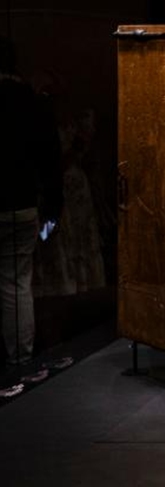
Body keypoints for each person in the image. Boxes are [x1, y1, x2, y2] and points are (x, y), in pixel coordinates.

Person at [1, 36, 63, 388]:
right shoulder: (33, 104)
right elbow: (50, 162)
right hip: (22, 205)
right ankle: (20, 357)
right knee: (16, 282)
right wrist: (53, 209)